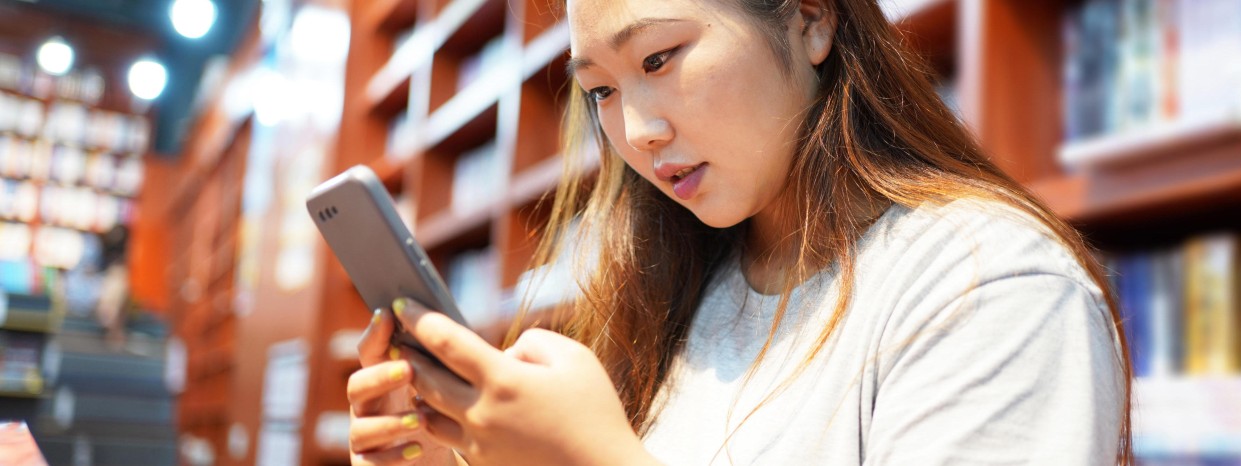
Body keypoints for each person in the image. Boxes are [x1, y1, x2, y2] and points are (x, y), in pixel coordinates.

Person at [347, 0, 1132, 464]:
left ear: (808, 19)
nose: (637, 131)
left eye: (659, 57)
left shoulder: (988, 284)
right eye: (600, 92)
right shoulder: (676, 291)